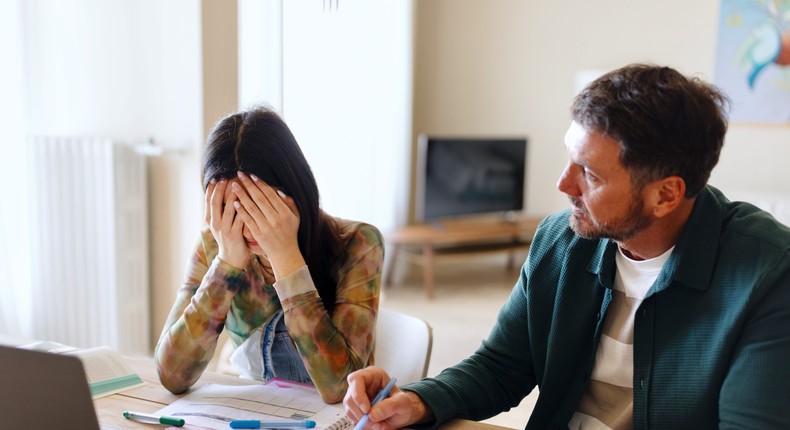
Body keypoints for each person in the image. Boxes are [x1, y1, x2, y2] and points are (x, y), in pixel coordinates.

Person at [343, 64, 790, 429]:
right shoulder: (561, 239)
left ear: (666, 195)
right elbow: (502, 366)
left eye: (590, 175)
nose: (562, 184)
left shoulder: (768, 275)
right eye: (569, 159)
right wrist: (417, 401)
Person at [155, 106, 384, 403]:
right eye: (232, 208)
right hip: (257, 409)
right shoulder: (216, 244)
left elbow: (339, 387)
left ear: (296, 188)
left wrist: (286, 257)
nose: (249, 226)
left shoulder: (358, 243)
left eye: (260, 206)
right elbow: (172, 376)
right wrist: (226, 264)